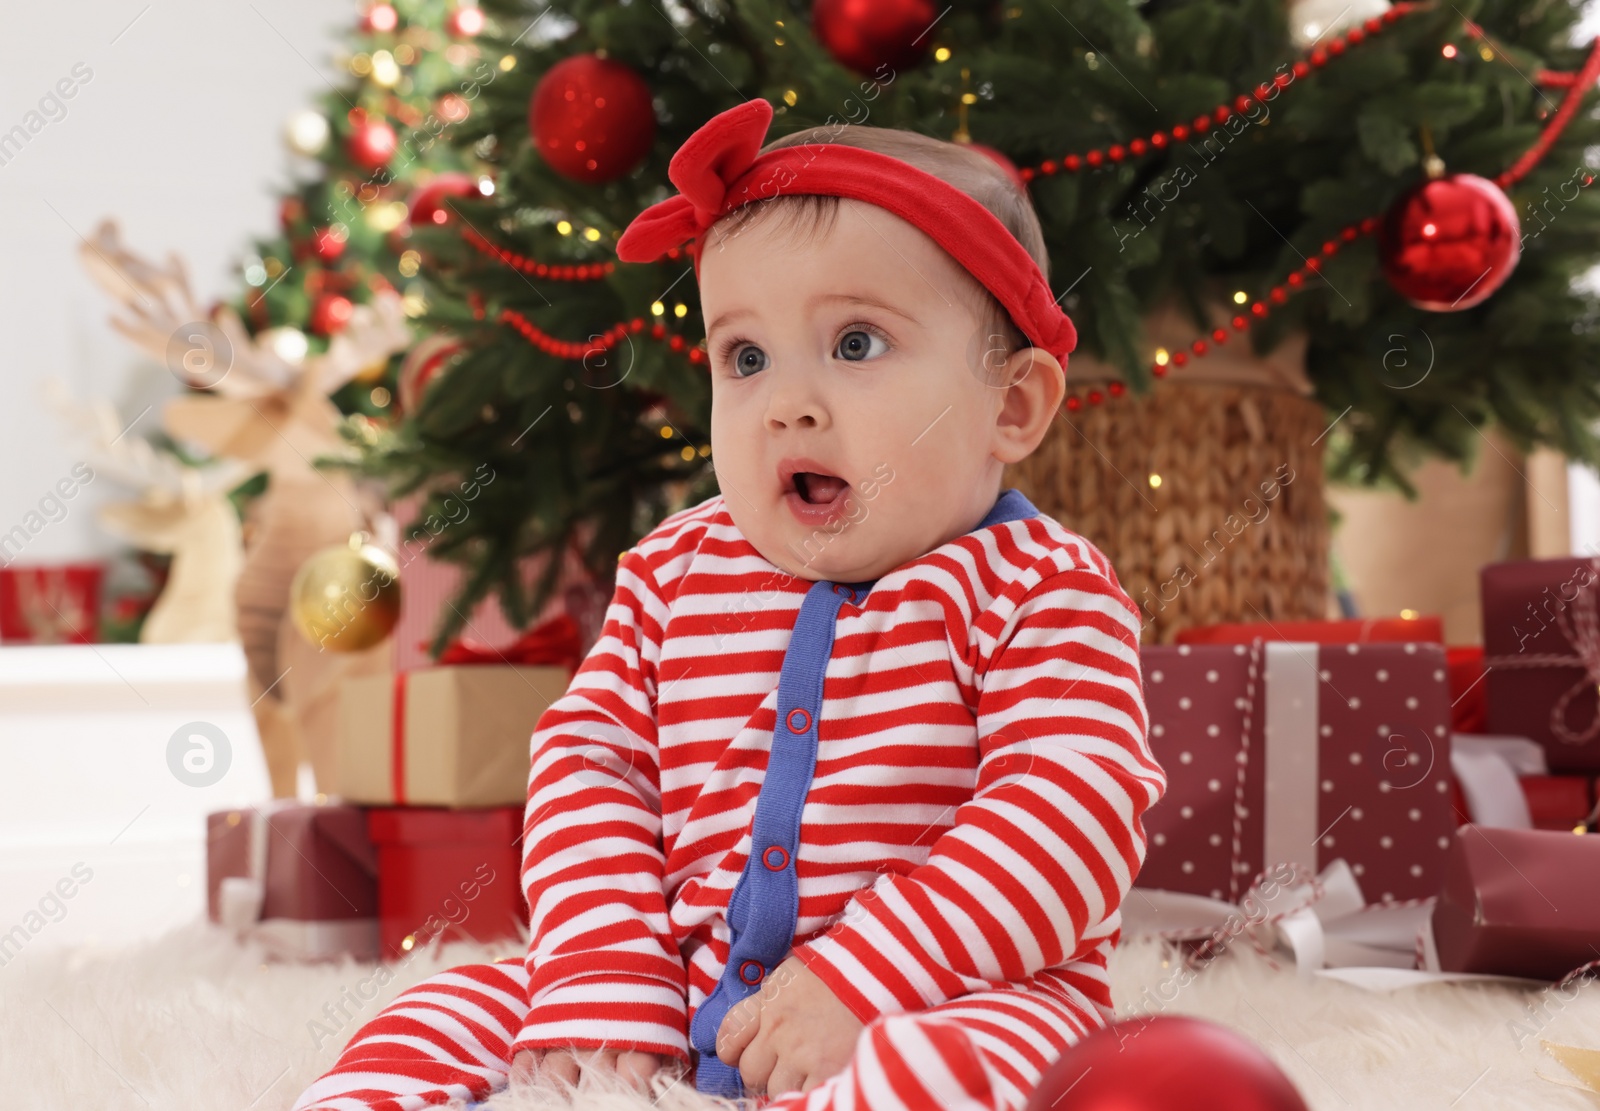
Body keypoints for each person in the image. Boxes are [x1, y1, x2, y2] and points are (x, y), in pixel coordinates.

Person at [290, 96, 1165, 1111]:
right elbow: (592, 768)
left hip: (951, 989)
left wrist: (862, 978)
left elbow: (1069, 809)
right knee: (446, 1009)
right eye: (744, 357)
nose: (787, 399)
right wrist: (607, 975)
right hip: (678, 984)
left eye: (856, 343)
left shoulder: (1040, 590)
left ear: (1009, 406)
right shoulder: (672, 574)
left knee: (957, 1071)